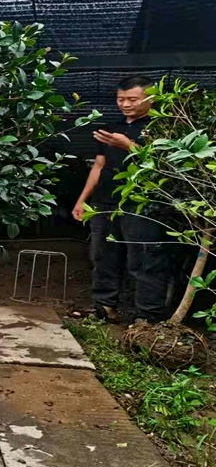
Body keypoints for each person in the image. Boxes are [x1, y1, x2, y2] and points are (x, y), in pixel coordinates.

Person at [72, 75, 170, 324]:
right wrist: (82, 200)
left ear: (151, 97)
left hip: (140, 203)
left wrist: (130, 146)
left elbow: (166, 168)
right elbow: (99, 166)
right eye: (120, 99)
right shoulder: (112, 127)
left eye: (132, 99)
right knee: (103, 256)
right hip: (104, 203)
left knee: (144, 259)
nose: (125, 104)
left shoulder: (162, 128)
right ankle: (105, 307)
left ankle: (148, 317)